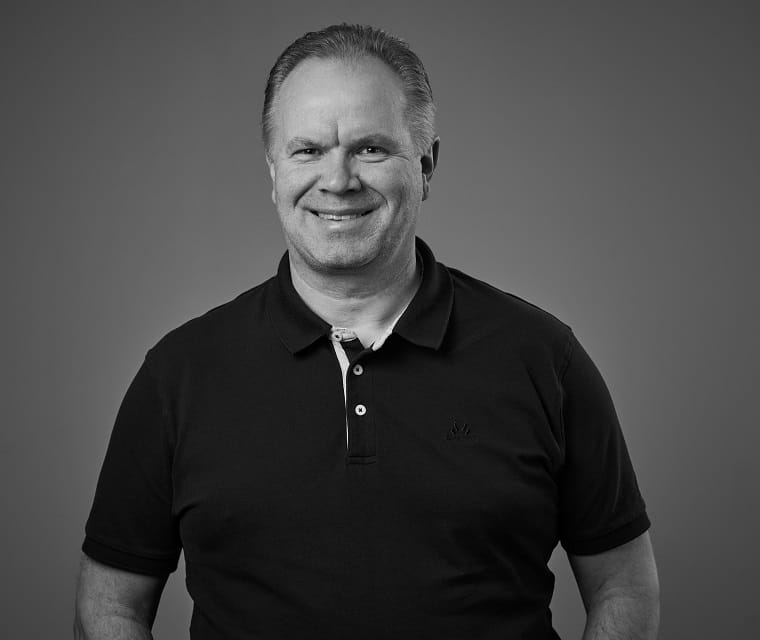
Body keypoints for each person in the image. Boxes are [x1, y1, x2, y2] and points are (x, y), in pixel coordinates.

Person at [75, 23, 659, 640]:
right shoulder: (179, 374)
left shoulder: (543, 359)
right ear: (273, 172)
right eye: (307, 151)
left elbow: (623, 586)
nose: (338, 180)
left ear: (426, 166)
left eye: (371, 149)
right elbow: (110, 606)